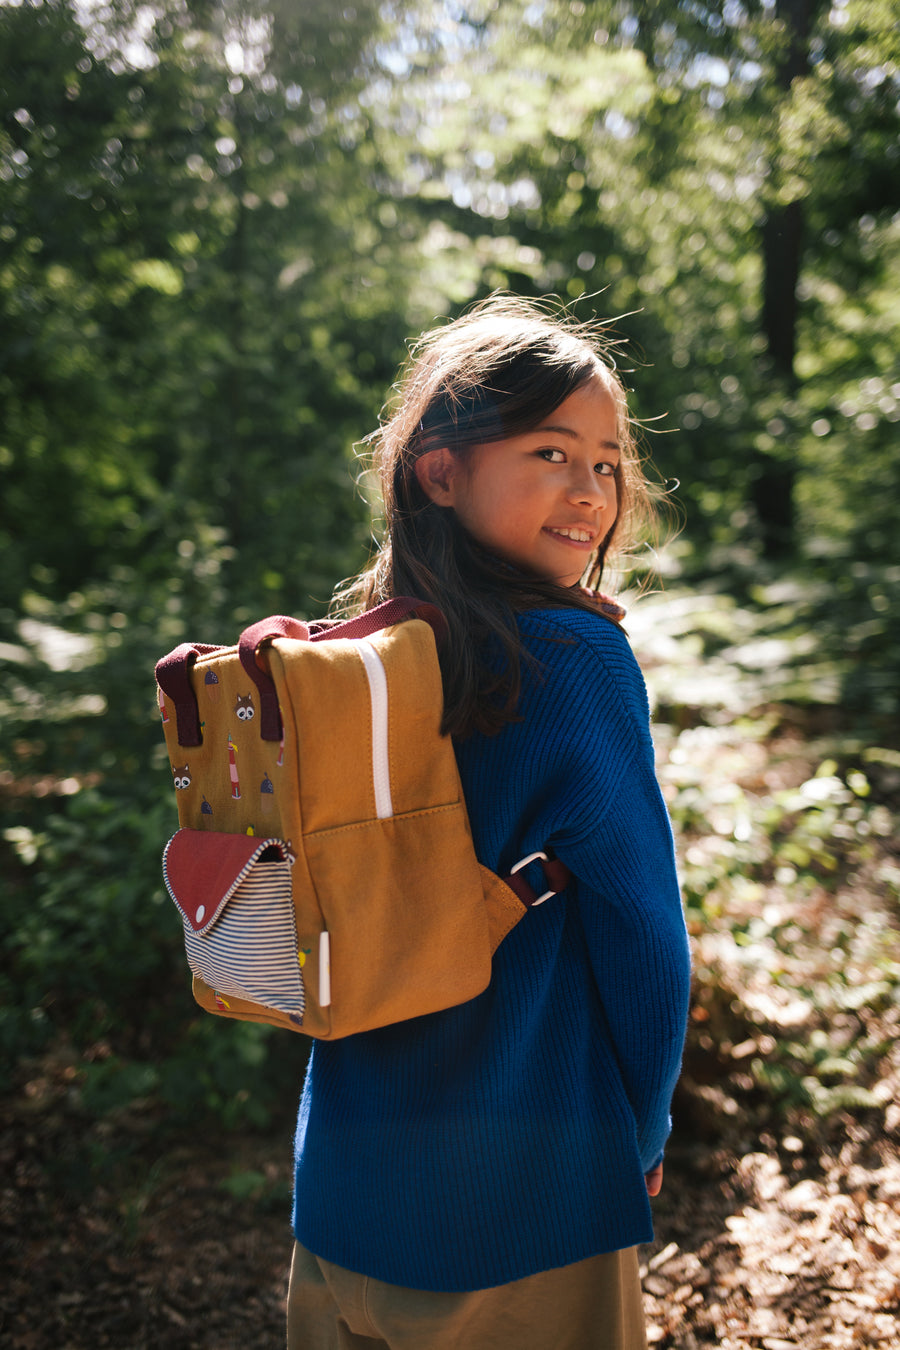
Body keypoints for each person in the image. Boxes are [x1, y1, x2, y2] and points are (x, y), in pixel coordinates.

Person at [287, 295, 691, 1350]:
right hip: (522, 1204)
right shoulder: (573, 661)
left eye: (607, 462)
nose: (590, 489)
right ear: (442, 470)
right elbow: (644, 936)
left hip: (342, 1190)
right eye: (552, 450)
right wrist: (639, 1132)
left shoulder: (355, 664)